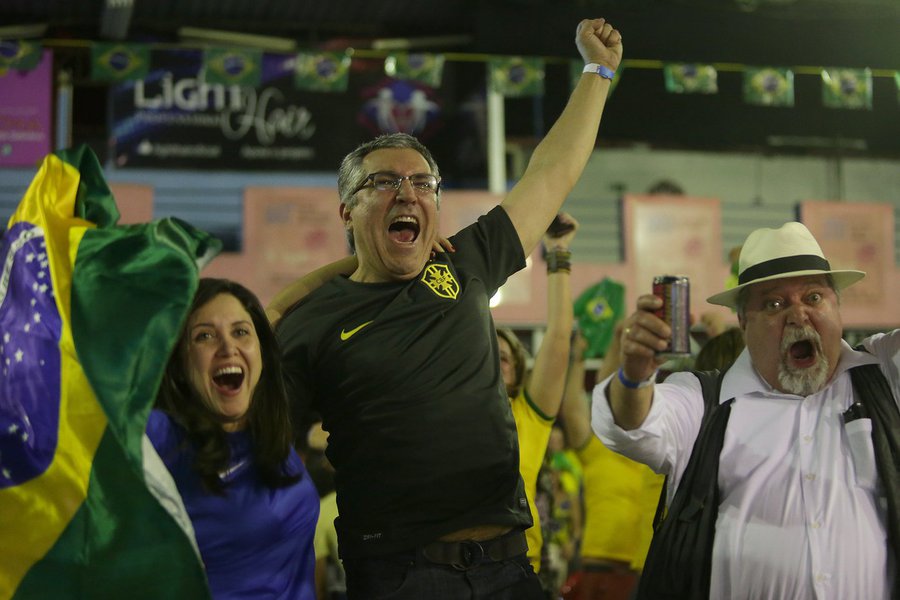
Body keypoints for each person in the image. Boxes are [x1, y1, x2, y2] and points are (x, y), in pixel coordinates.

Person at [273, 17, 623, 599]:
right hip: (400, 575)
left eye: (423, 183)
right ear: (346, 212)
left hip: (511, 567)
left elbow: (551, 172)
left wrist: (597, 71)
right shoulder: (311, 322)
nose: (408, 192)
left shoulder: (465, 263)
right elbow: (265, 443)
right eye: (384, 182)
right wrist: (281, 303)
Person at [592, 221, 900, 599]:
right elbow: (632, 424)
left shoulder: (884, 374)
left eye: (815, 297)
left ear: (839, 307)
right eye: (774, 303)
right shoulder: (704, 401)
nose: (798, 314)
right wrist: (636, 375)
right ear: (742, 322)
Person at [150, 278, 319, 599]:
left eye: (240, 332)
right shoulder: (160, 436)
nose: (228, 348)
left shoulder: (266, 434)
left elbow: (282, 305)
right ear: (180, 363)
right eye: (205, 336)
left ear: (262, 353)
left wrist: (362, 260)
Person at [496, 212, 578, 578]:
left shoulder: (527, 414)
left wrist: (558, 253)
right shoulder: (444, 413)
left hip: (519, 571)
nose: (491, 367)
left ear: (516, 371)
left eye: (500, 358)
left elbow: (559, 337)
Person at [560, 328, 663, 600]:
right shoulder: (598, 447)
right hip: (596, 565)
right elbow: (580, 406)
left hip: (644, 569)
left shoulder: (657, 456)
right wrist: (581, 357)